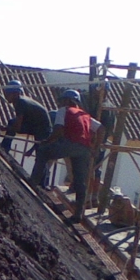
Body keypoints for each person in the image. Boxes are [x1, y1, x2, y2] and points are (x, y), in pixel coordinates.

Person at [31, 89, 106, 222]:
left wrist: (47, 141)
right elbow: (101, 129)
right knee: (79, 181)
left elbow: (58, 129)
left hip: (70, 143)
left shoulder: (64, 110)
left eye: (62, 101)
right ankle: (78, 214)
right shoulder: (86, 116)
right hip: (84, 149)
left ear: (67, 101)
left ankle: (33, 184)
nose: (61, 103)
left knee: (43, 152)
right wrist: (96, 147)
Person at [0, 79, 52, 154]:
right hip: (35, 125)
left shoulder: (20, 103)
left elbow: (17, 126)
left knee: (40, 155)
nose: (6, 96)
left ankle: (5, 147)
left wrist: (7, 128)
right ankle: (5, 146)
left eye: (8, 94)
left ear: (15, 93)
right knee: (12, 122)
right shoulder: (21, 100)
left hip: (42, 129)